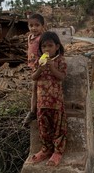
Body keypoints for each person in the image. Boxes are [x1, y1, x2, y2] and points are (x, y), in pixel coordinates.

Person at [29, 31, 67, 166]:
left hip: (56, 102)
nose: (46, 49)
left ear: (57, 46)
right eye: (44, 47)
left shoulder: (60, 60)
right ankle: (45, 150)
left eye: (50, 46)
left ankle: (58, 152)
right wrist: (40, 68)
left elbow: (62, 77)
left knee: (58, 128)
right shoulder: (38, 62)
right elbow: (33, 77)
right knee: (43, 128)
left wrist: (52, 67)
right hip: (42, 102)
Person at [23, 13, 45, 127]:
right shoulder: (30, 37)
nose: (34, 28)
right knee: (35, 89)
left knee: (36, 89)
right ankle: (34, 111)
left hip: (41, 68)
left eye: (37, 25)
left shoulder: (43, 38)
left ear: (42, 26)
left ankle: (33, 112)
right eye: (31, 25)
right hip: (33, 67)